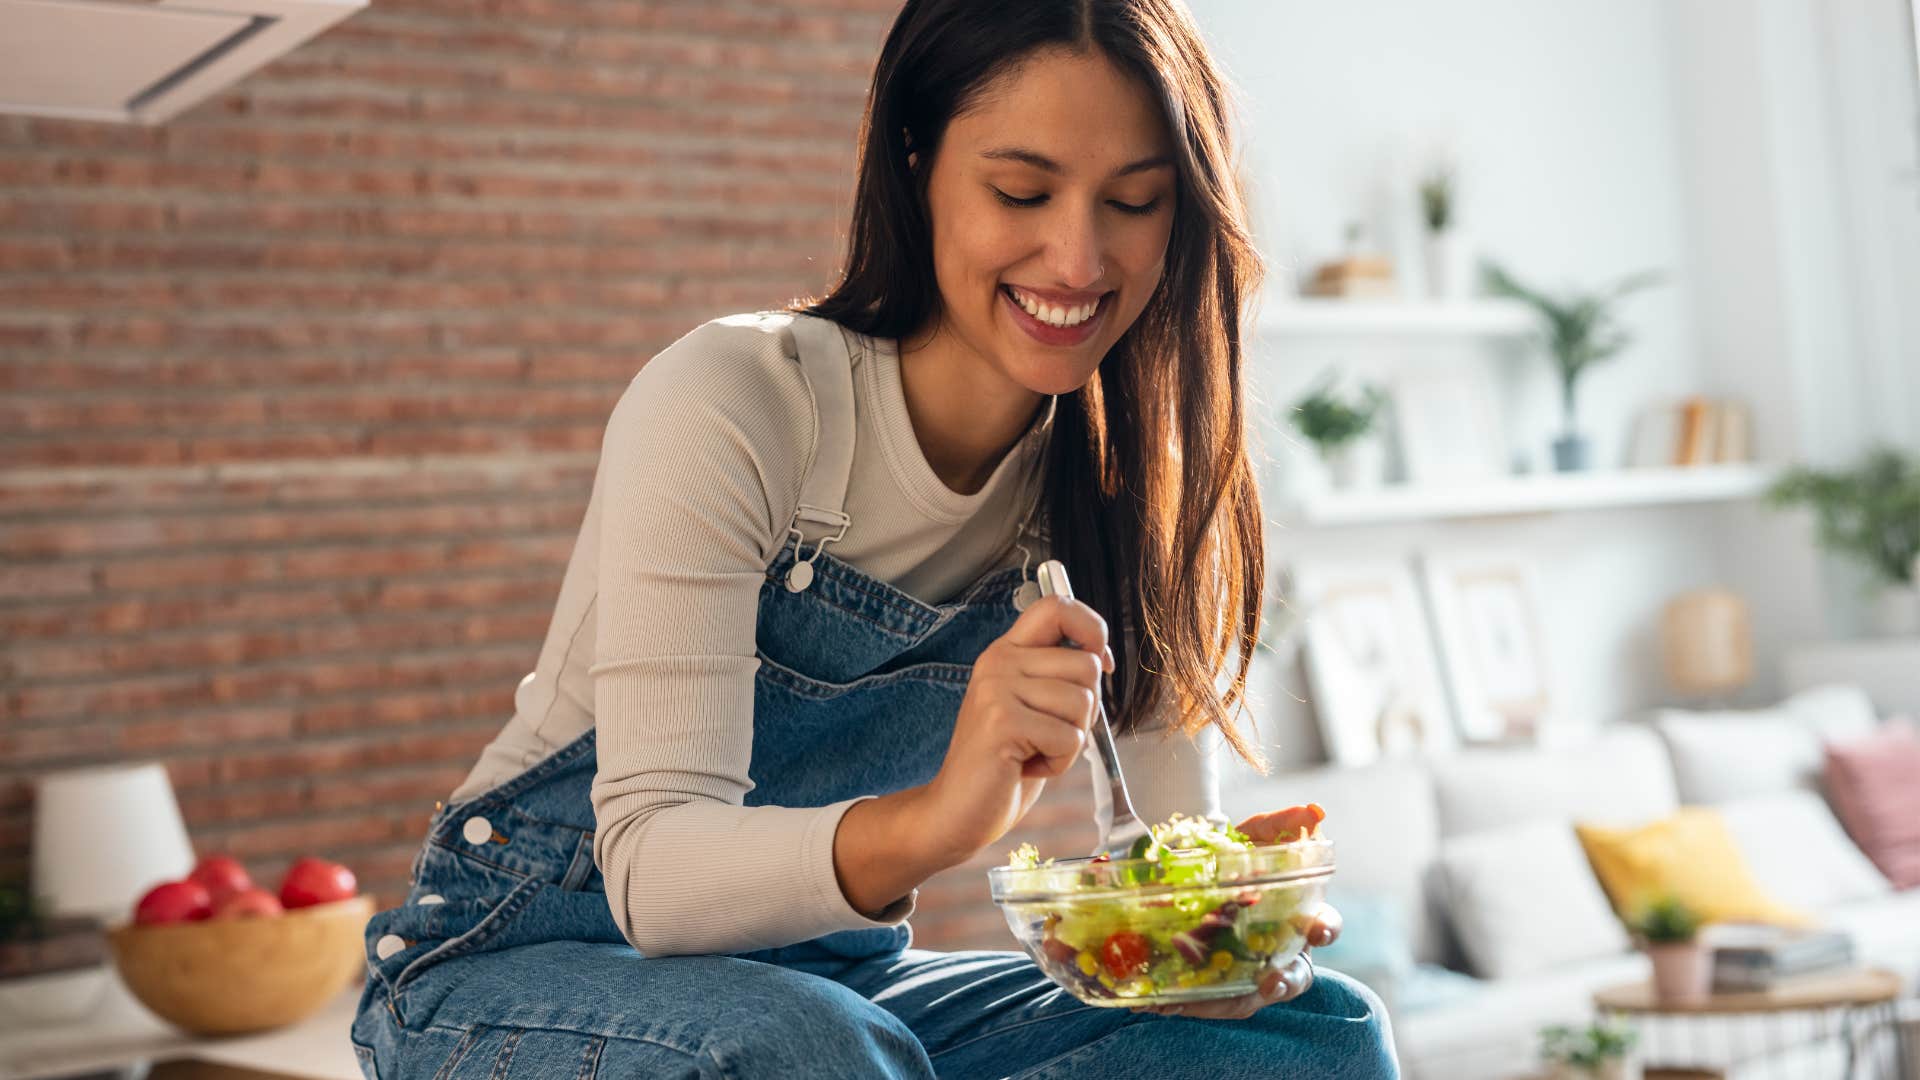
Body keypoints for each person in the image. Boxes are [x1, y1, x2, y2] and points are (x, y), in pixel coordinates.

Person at [350, 0, 1399, 1076]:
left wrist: (1217, 935)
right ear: (915, 161)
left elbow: (1160, 874)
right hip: (516, 962)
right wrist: (942, 821)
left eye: (1134, 201)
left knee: (1319, 1029)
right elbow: (656, 875)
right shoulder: (738, 401)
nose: (1080, 257)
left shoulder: (1120, 486)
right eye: (1021, 192)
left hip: (827, 985)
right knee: (813, 1047)